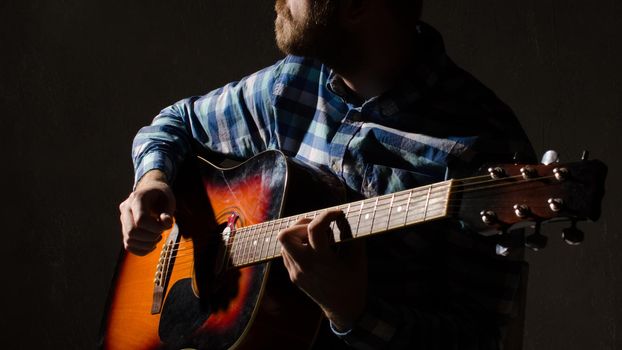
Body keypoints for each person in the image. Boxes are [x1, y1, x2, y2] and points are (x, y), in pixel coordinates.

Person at [119, 0, 535, 348]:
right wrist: (153, 179)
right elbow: (174, 124)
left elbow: (480, 339)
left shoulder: (483, 145)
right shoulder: (293, 82)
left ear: (353, 6)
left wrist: (354, 312)